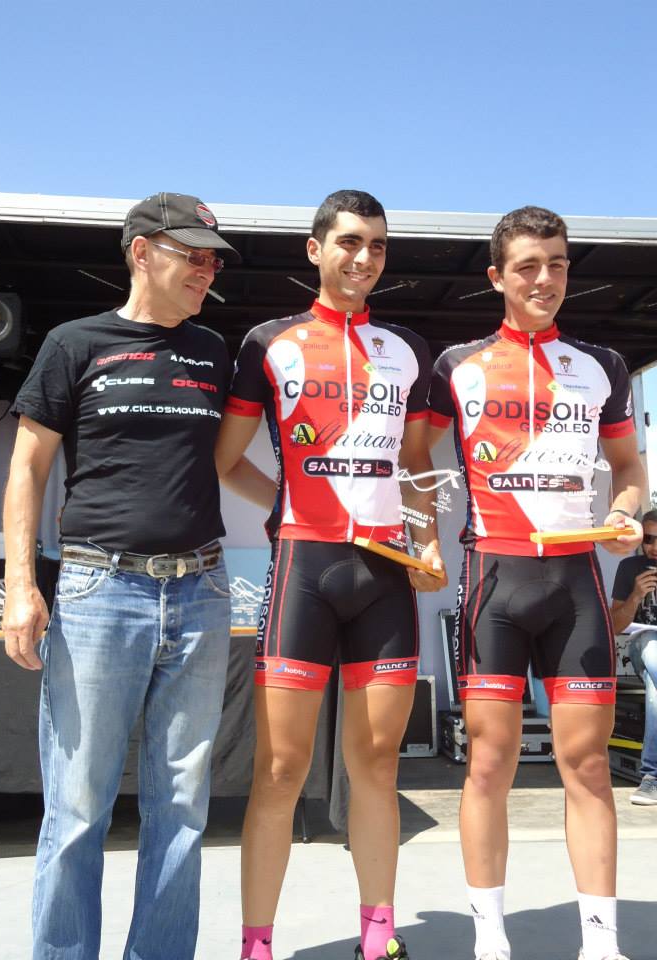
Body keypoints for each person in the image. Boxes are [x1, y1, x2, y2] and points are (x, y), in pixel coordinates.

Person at [2, 192, 240, 960]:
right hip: (99, 592)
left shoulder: (214, 351)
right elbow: (27, 468)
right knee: (77, 809)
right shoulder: (74, 343)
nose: (206, 270)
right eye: (191, 254)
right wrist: (21, 584)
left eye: (212, 259)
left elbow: (231, 461)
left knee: (183, 810)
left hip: (201, 592)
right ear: (142, 252)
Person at [215, 189, 446, 960]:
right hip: (304, 568)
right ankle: (256, 945)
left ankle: (378, 937)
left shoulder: (407, 348)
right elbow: (226, 460)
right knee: (281, 768)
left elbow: (416, 463)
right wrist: (291, 504)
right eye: (349, 241)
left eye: (377, 245)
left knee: (376, 764)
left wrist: (427, 541)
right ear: (315, 249)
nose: (364, 257)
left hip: (385, 574)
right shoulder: (269, 342)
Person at [427, 206, 644, 960]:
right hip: (494, 576)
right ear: (497, 276)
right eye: (527, 265)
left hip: (576, 581)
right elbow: (412, 461)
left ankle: (601, 942)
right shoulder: (456, 364)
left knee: (587, 765)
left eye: (556, 264)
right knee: (489, 764)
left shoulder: (602, 365)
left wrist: (624, 513)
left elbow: (629, 469)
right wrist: (420, 537)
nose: (544, 278)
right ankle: (490, 937)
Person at [610, 508, 657, 806]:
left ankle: (652, 776)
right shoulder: (630, 567)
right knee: (653, 649)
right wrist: (636, 595)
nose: (653, 546)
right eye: (648, 539)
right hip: (645, 644)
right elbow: (614, 625)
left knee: (655, 690)